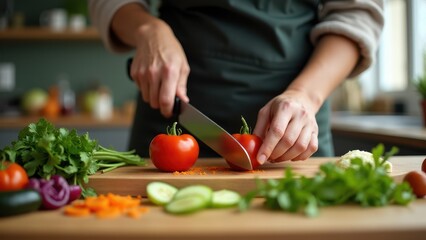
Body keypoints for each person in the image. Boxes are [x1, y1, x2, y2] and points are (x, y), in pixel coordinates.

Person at [88, 0, 384, 165]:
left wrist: (305, 95)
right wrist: (148, 29)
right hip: (170, 104)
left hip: (295, 119)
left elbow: (357, 12)